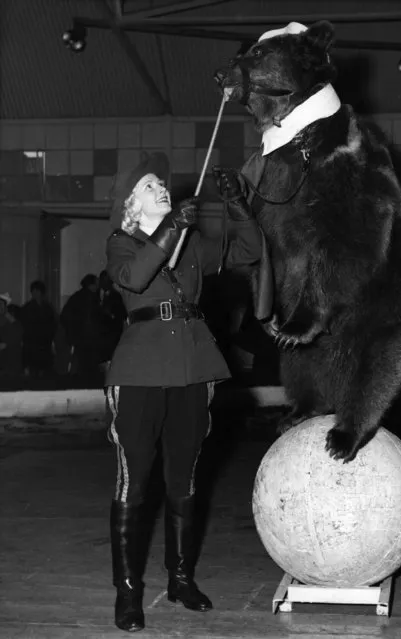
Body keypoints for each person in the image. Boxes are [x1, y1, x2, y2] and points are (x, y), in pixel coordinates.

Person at [105, 152, 261, 632]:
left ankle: (180, 580)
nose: (162, 188)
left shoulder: (190, 245)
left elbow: (248, 252)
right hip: (139, 372)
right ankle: (128, 595)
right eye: (151, 186)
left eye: (163, 184)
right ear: (133, 205)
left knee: (184, 480)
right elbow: (136, 278)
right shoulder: (121, 242)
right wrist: (171, 228)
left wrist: (236, 206)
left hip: (191, 370)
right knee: (134, 481)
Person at [60, 273, 103, 378]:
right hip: (87, 337)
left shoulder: (77, 297)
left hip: (79, 337)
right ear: (91, 285)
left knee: (80, 364)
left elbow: (64, 316)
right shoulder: (91, 299)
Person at [21, 281, 57, 377]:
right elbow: (24, 326)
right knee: (33, 369)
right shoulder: (27, 307)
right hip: (32, 343)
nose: (35, 293)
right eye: (33, 291)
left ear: (41, 292)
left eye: (37, 291)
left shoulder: (48, 307)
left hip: (45, 343)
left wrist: (51, 340)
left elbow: (52, 325)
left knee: (44, 370)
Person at [97, 270, 126, 367]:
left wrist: (110, 315)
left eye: (106, 280)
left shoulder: (116, 296)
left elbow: (122, 315)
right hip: (98, 336)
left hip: (111, 335)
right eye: (102, 280)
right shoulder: (95, 295)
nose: (103, 283)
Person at [0, 292, 24, 378]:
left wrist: (6, 344)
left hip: (11, 360)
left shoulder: (11, 318)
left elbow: (18, 332)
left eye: (1, 304)